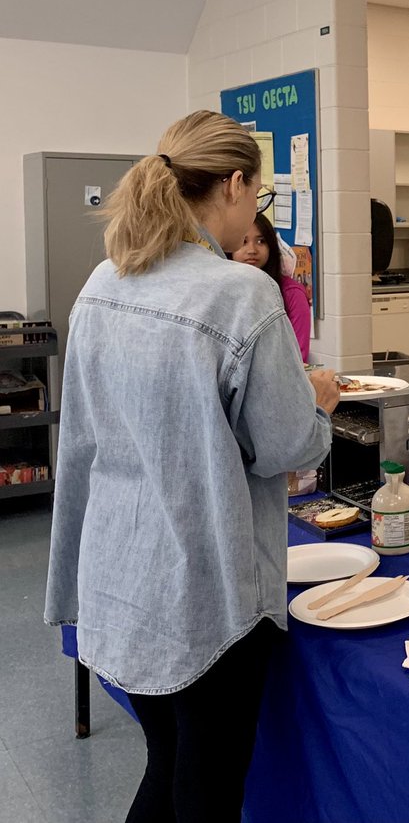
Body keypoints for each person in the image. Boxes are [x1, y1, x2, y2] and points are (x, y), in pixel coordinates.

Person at [43, 110, 340, 823]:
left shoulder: (105, 281)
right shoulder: (239, 294)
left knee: (169, 761)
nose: (255, 214)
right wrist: (317, 403)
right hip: (207, 592)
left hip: (118, 576)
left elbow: (86, 431)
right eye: (258, 196)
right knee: (206, 789)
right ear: (234, 185)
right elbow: (287, 448)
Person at [232, 212, 312, 362]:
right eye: (243, 241)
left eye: (261, 241)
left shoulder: (292, 294)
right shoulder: (223, 291)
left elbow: (298, 357)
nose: (252, 250)